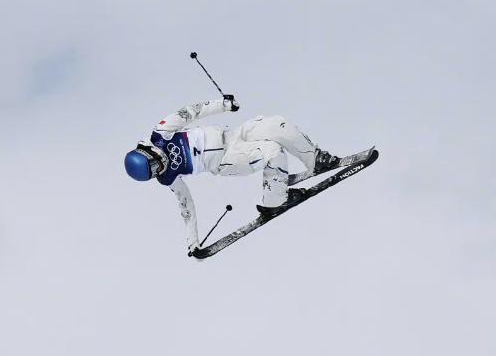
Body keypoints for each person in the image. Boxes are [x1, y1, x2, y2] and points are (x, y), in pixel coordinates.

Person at [123, 96, 340, 252]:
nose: (158, 168)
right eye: (153, 172)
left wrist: (223, 105)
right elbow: (185, 205)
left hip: (232, 135)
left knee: (277, 124)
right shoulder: (167, 176)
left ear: (147, 152)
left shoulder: (162, 133)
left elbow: (191, 111)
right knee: (273, 151)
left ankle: (315, 160)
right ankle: (276, 201)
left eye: (153, 164)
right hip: (227, 160)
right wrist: (193, 241)